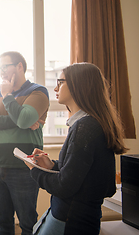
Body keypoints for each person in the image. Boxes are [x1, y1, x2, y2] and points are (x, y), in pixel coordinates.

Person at [25, 63, 128, 235]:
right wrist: (51, 166)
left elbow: (65, 186)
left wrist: (34, 170)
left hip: (71, 220)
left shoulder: (85, 127)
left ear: (79, 85)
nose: (56, 87)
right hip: (77, 216)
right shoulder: (90, 123)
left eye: (61, 82)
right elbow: (81, 174)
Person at [0, 51, 50, 235]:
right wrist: (21, 120)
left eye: (5, 66)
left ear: (20, 66)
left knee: (28, 224)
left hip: (24, 168)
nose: (1, 72)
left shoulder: (38, 91)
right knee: (2, 224)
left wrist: (7, 96)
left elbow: (24, 120)